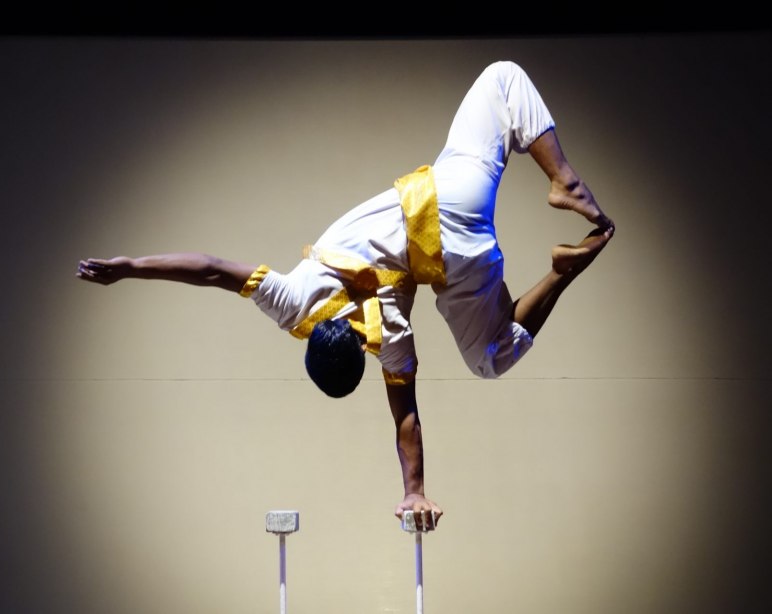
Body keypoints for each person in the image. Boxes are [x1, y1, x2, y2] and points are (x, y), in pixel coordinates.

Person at [77, 61, 615, 531]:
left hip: (461, 250)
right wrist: (129, 268)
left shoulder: (391, 343)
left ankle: (561, 274)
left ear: (359, 356)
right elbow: (212, 270)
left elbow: (406, 419)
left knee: (492, 358)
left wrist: (413, 491)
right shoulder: (290, 301)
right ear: (308, 341)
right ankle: (561, 176)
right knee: (501, 80)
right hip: (444, 188)